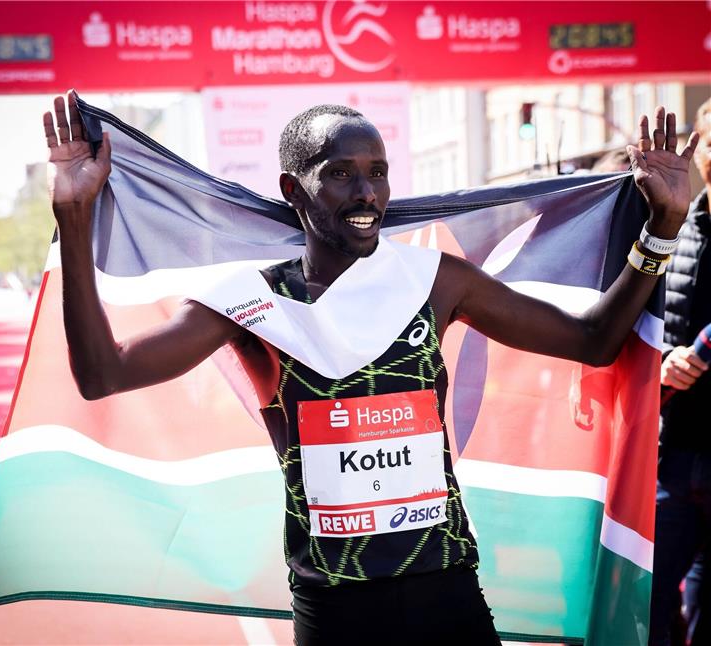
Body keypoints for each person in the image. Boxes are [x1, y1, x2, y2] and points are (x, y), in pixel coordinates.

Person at [44, 90, 698, 645]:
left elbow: (593, 340)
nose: (366, 193)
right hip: (336, 608)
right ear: (291, 188)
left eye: (378, 172)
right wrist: (74, 219)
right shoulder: (252, 302)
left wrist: (661, 230)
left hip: (447, 590)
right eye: (340, 173)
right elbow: (104, 374)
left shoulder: (436, 281)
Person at [650, 97, 711, 646]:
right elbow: (637, 333)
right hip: (674, 458)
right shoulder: (673, 232)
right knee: (643, 603)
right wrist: (664, 366)